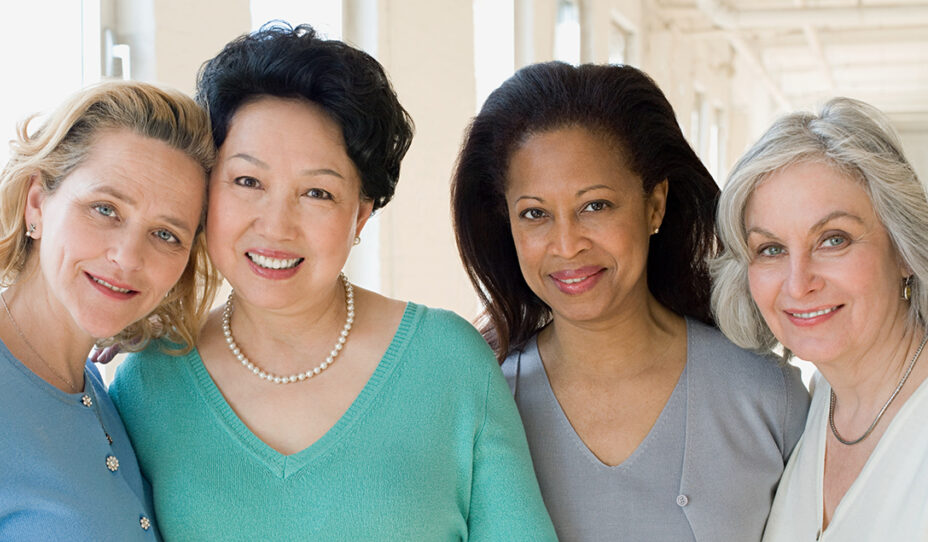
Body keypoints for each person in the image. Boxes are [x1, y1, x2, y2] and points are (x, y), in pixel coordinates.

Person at [109, 24, 556, 541]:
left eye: (317, 193)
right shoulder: (149, 383)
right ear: (207, 194)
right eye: (247, 181)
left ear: (360, 215)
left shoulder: (449, 363)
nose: (276, 225)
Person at [452, 61, 810, 541]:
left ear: (655, 205)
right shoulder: (481, 403)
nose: (566, 244)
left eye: (595, 206)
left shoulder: (768, 396)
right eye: (535, 214)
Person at [0, 81, 216, 539]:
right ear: (37, 204)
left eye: (166, 234)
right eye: (105, 209)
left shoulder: (90, 387)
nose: (129, 257)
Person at [710, 97, 928, 540]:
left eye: (833, 240)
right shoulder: (816, 401)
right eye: (770, 249)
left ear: (903, 250)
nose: (798, 283)